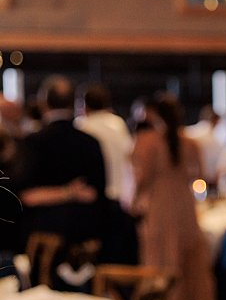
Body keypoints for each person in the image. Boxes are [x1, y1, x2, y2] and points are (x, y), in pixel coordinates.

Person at [132, 95, 215, 300]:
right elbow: (199, 175)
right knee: (185, 261)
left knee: (160, 262)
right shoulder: (190, 143)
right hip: (184, 206)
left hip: (160, 206)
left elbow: (142, 178)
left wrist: (135, 202)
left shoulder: (148, 142)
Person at [14, 76, 107, 284]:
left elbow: (26, 196)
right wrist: (70, 192)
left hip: (41, 242)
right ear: (73, 104)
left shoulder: (31, 143)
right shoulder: (90, 143)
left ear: (43, 103)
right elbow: (96, 194)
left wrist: (58, 194)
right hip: (84, 244)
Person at [76, 83, 135, 210]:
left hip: (92, 198)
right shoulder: (118, 124)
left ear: (85, 105)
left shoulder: (82, 126)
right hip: (119, 195)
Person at [183, 105, 225, 189]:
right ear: (215, 121)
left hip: (190, 177)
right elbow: (219, 164)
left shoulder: (188, 132)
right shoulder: (214, 140)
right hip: (207, 179)